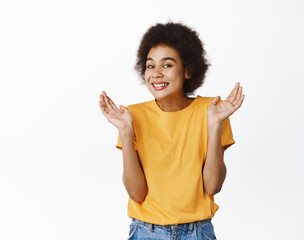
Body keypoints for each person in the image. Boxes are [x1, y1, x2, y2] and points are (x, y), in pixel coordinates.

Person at [98, 22, 244, 240]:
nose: (156, 74)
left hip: (197, 232)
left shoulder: (212, 111)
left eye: (167, 65)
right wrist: (127, 133)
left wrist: (214, 126)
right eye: (150, 66)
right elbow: (137, 193)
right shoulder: (131, 116)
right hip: (146, 232)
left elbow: (213, 186)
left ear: (187, 70)